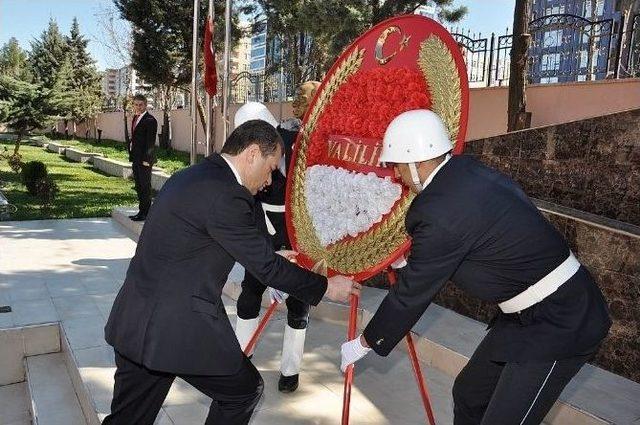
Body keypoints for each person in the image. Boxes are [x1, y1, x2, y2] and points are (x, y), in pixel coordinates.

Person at [340, 109, 611, 425]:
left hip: (562, 320)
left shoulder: (438, 208)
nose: (397, 174)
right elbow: (466, 245)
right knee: (470, 394)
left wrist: (366, 341)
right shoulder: (462, 173)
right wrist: (414, 259)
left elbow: (412, 293)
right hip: (522, 314)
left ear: (416, 162)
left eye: (398, 164)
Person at [103, 120, 360, 425]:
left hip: (135, 320)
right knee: (243, 391)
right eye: (270, 168)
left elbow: (201, 240)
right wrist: (326, 287)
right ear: (252, 153)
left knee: (128, 419)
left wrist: (271, 254)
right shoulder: (227, 193)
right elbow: (265, 269)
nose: (269, 181)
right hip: (179, 324)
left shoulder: (192, 176)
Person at [234, 82, 320, 394]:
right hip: (262, 227)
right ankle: (243, 356)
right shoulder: (250, 151)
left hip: (296, 228)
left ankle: (290, 370)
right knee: (250, 293)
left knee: (298, 302)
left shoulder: (299, 141)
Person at [127, 93, 157, 221]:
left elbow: (150, 142)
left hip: (144, 160)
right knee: (138, 185)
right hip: (136, 158)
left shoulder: (150, 120)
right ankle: (141, 211)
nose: (138, 107)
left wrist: (147, 160)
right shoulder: (135, 118)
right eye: (136, 105)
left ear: (145, 105)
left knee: (145, 186)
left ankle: (146, 213)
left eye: (141, 105)